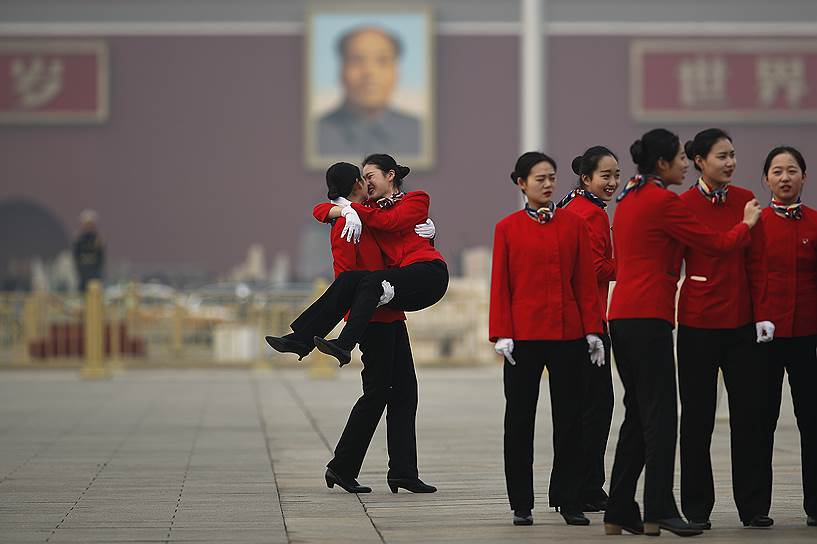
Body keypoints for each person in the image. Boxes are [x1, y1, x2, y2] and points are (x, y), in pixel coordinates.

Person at [604, 128, 762, 538]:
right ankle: (659, 508)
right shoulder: (663, 201)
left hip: (622, 314)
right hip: (649, 315)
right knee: (660, 417)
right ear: (662, 164)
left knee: (638, 416)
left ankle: (619, 508)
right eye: (679, 158)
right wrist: (746, 224)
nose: (683, 163)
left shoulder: (630, 197)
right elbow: (715, 244)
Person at [490, 151, 605, 527]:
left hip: (568, 334)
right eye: (539, 178)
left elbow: (585, 283)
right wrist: (501, 334)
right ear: (521, 183)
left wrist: (593, 329)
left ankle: (569, 499)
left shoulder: (573, 225)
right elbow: (501, 287)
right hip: (522, 338)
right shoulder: (507, 228)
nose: (548, 184)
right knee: (519, 421)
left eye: (551, 177)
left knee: (570, 420)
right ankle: (521, 503)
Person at [310, 162, 435, 495]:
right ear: (356, 183)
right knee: (376, 394)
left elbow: (397, 236)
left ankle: (403, 472)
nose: (368, 183)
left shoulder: (362, 214)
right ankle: (342, 467)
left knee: (405, 392)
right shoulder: (347, 222)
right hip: (372, 320)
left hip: (390, 314)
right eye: (363, 179)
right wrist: (341, 212)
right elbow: (346, 276)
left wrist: (429, 232)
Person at [676, 128, 774, 529]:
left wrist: (762, 315)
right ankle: (697, 509)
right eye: (722, 156)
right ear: (700, 161)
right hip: (698, 322)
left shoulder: (744, 201)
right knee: (697, 419)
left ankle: (754, 507)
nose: (731, 162)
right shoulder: (681, 205)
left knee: (749, 417)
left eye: (733, 155)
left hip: (741, 323)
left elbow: (759, 265)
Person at [555, 146, 620, 512]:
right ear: (586, 178)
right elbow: (594, 269)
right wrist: (624, 261)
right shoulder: (591, 215)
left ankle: (569, 487)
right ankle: (589, 488)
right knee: (597, 409)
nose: (612, 182)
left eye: (615, 174)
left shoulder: (568, 207)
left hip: (569, 324)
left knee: (576, 410)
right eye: (605, 176)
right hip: (590, 323)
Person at [758, 146, 817, 528]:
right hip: (763, 337)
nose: (785, 178)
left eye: (792, 170)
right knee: (760, 420)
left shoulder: (814, 222)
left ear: (804, 178)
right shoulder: (756, 223)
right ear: (766, 179)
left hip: (807, 336)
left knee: (811, 420)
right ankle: (755, 507)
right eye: (777, 171)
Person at [317, 27, 420, 156]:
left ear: (396, 73)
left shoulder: (420, 133)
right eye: (356, 60)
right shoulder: (315, 133)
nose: (369, 72)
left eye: (382, 61)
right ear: (341, 71)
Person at [73, 209, 104, 292]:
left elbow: (101, 258)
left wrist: (98, 271)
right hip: (83, 272)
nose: (89, 226)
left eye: (90, 224)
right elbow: (76, 256)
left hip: (95, 272)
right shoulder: (79, 239)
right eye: (87, 224)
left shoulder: (98, 240)